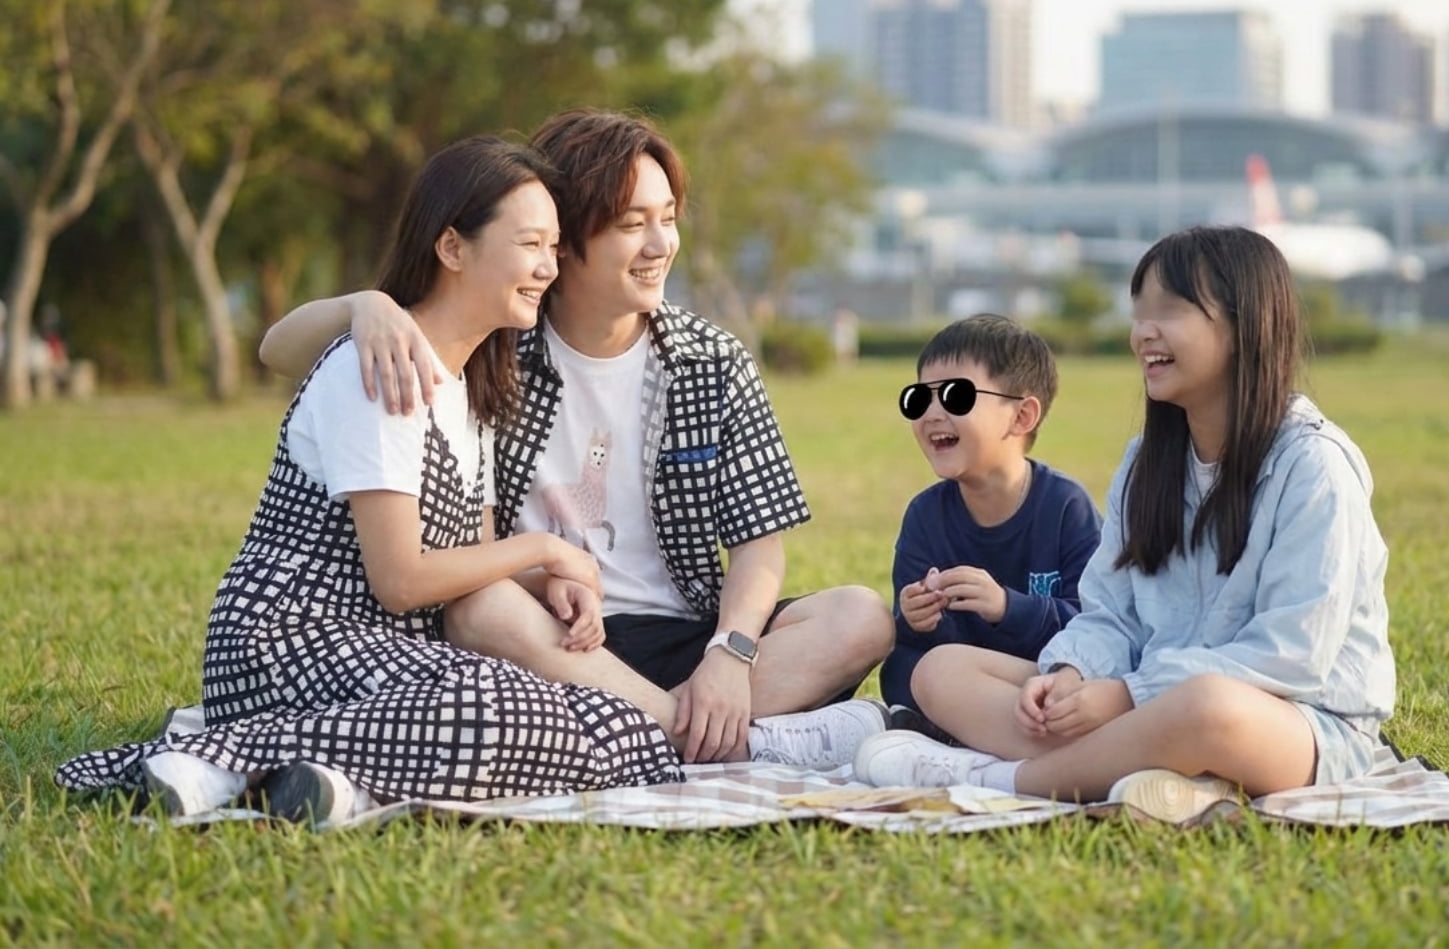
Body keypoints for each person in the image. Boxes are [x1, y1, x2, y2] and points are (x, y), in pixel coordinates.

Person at [56, 136, 685, 822]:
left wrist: (554, 583)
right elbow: (403, 579)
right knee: (504, 708)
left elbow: (468, 565)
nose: (547, 266)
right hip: (289, 636)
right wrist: (548, 549)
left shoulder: (473, 389)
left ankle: (328, 780)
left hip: (387, 652)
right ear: (452, 247)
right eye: (531, 243)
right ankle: (215, 752)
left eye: (554, 246)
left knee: (621, 728)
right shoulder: (382, 369)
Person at [260, 110, 895, 767]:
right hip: (543, 632)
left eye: (668, 217)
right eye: (630, 225)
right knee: (478, 608)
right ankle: (703, 738)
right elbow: (280, 353)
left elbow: (760, 548)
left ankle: (659, 729)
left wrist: (728, 655)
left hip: (690, 635)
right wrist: (366, 304)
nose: (660, 245)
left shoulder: (713, 360)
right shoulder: (494, 344)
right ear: (564, 239)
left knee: (860, 615)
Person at [852, 226, 1396, 823]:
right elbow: (1109, 613)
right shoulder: (1147, 462)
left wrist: (1128, 695)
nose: (1144, 333)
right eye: (1139, 313)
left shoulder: (1312, 465)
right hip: (1138, 697)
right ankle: (1155, 779)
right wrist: (1071, 673)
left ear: (1246, 327)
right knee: (941, 672)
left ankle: (1002, 780)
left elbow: (1292, 656)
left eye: (1171, 311)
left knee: (1207, 709)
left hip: (1298, 721)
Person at [880, 315, 1101, 728]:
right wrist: (915, 619)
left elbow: (1097, 630)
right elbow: (912, 652)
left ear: (1021, 417)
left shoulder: (1066, 509)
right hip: (954, 683)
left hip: (1040, 683)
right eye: (918, 399)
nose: (931, 414)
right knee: (903, 670)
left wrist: (1006, 607)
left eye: (955, 397)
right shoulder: (925, 516)